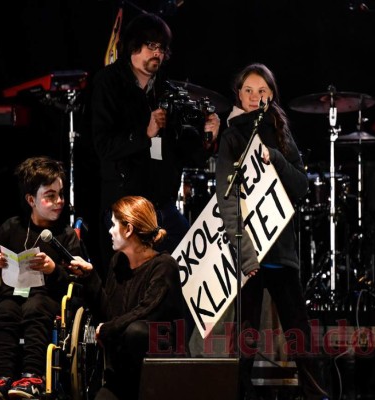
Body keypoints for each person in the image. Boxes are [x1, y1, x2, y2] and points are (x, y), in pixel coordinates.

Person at [215, 63, 330, 400]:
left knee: (299, 331)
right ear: (238, 94)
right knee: (246, 334)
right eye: (248, 90)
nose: (254, 97)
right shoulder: (232, 136)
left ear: (271, 94)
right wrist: (245, 254)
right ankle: (241, 393)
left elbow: (301, 186)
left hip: (282, 249)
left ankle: (315, 392)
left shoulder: (280, 130)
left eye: (261, 90)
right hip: (252, 251)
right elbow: (227, 200)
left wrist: (277, 158)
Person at [89, 12, 221, 278]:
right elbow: (103, 146)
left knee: (193, 262)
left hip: (161, 203)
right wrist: (144, 133)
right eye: (151, 46)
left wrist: (209, 139)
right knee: (128, 280)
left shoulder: (166, 90)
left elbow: (183, 152)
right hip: (124, 205)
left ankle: (179, 321)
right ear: (134, 45)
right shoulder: (108, 82)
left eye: (162, 48)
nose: (158, 54)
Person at [0, 156, 83, 399]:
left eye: (61, 194)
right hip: (11, 296)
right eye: (50, 196)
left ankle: (32, 376)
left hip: (47, 300)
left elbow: (79, 282)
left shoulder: (65, 235)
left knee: (35, 306)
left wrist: (54, 270)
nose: (59, 202)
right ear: (31, 200)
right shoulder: (13, 226)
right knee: (3, 310)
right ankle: (2, 377)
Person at [69, 195, 188, 400]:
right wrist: (90, 277)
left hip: (160, 374)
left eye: (114, 224)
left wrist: (109, 329)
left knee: (137, 331)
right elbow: (110, 315)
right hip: (124, 376)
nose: (110, 230)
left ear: (129, 229)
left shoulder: (164, 266)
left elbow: (146, 312)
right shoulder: (119, 262)